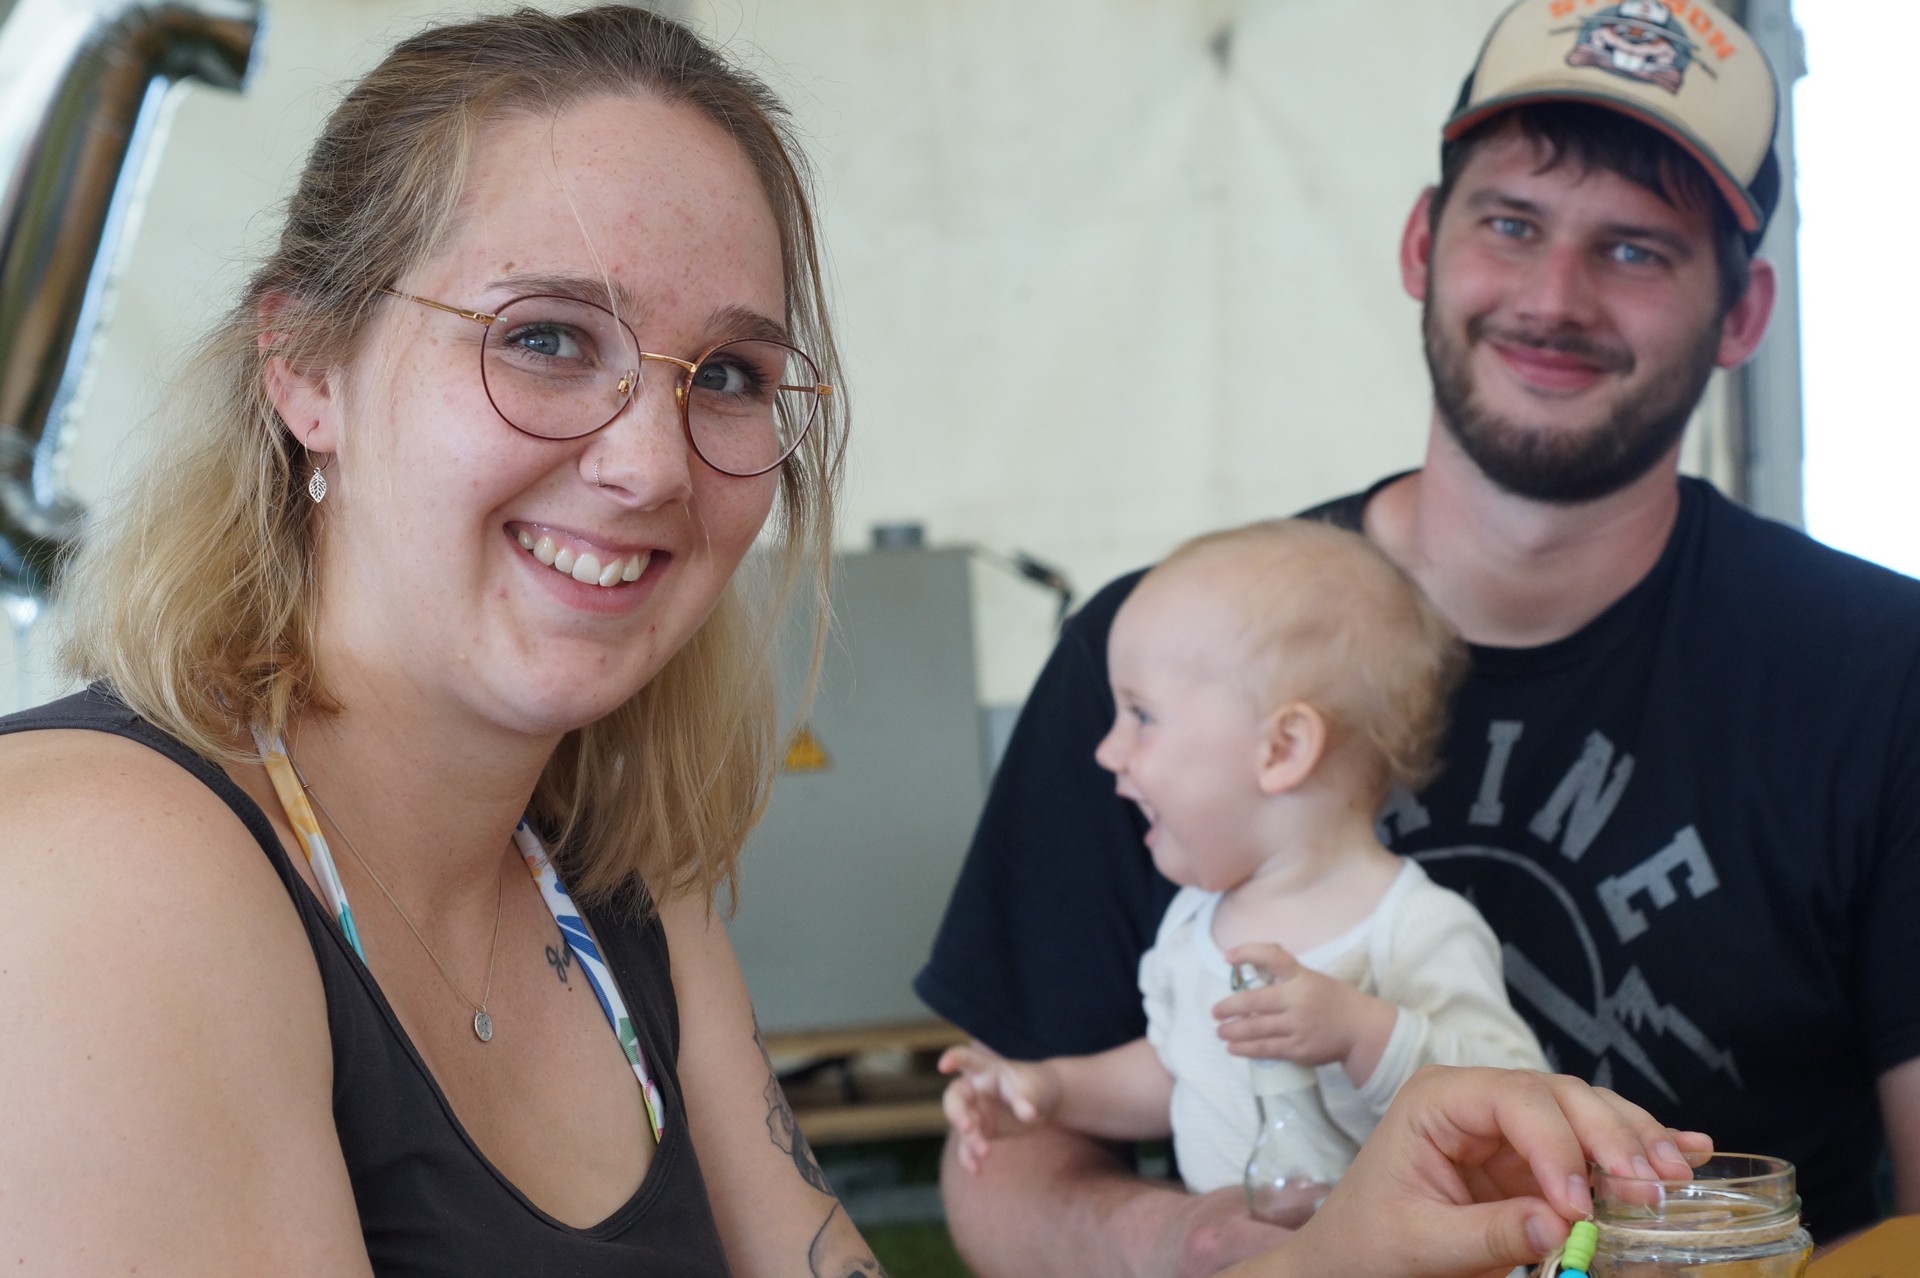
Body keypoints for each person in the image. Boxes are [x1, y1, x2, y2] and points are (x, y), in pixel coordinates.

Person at [917, 1, 1920, 1272]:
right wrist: (1224, 1252)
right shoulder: (1157, 652)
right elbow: (1003, 1174)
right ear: (1419, 244)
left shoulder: (1883, 675)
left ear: (1742, 314)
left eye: (1636, 249)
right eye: (1511, 224)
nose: (1553, 298)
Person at [0, 8, 887, 1273]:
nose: (651, 466)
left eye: (731, 374)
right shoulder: (99, 862)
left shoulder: (613, 877)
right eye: (545, 339)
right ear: (308, 369)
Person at [937, 520, 1545, 1210]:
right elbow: (1177, 1076)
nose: (1107, 751)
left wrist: (1359, 1032)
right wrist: (1050, 1091)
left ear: (1283, 748)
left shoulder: (1413, 926)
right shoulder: (1193, 925)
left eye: (1141, 715)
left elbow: (1514, 1100)